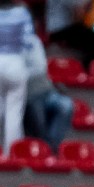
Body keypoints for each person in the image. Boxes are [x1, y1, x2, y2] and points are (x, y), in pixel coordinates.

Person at [22, 30, 73, 151]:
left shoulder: (35, 41)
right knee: (37, 116)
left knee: (66, 105)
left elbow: (40, 68)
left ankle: (51, 148)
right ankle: (45, 149)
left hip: (47, 92)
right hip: (27, 94)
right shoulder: (9, 45)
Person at [0, 0, 38, 152]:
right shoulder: (22, 13)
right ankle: (11, 153)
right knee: (13, 112)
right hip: (15, 62)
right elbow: (29, 41)